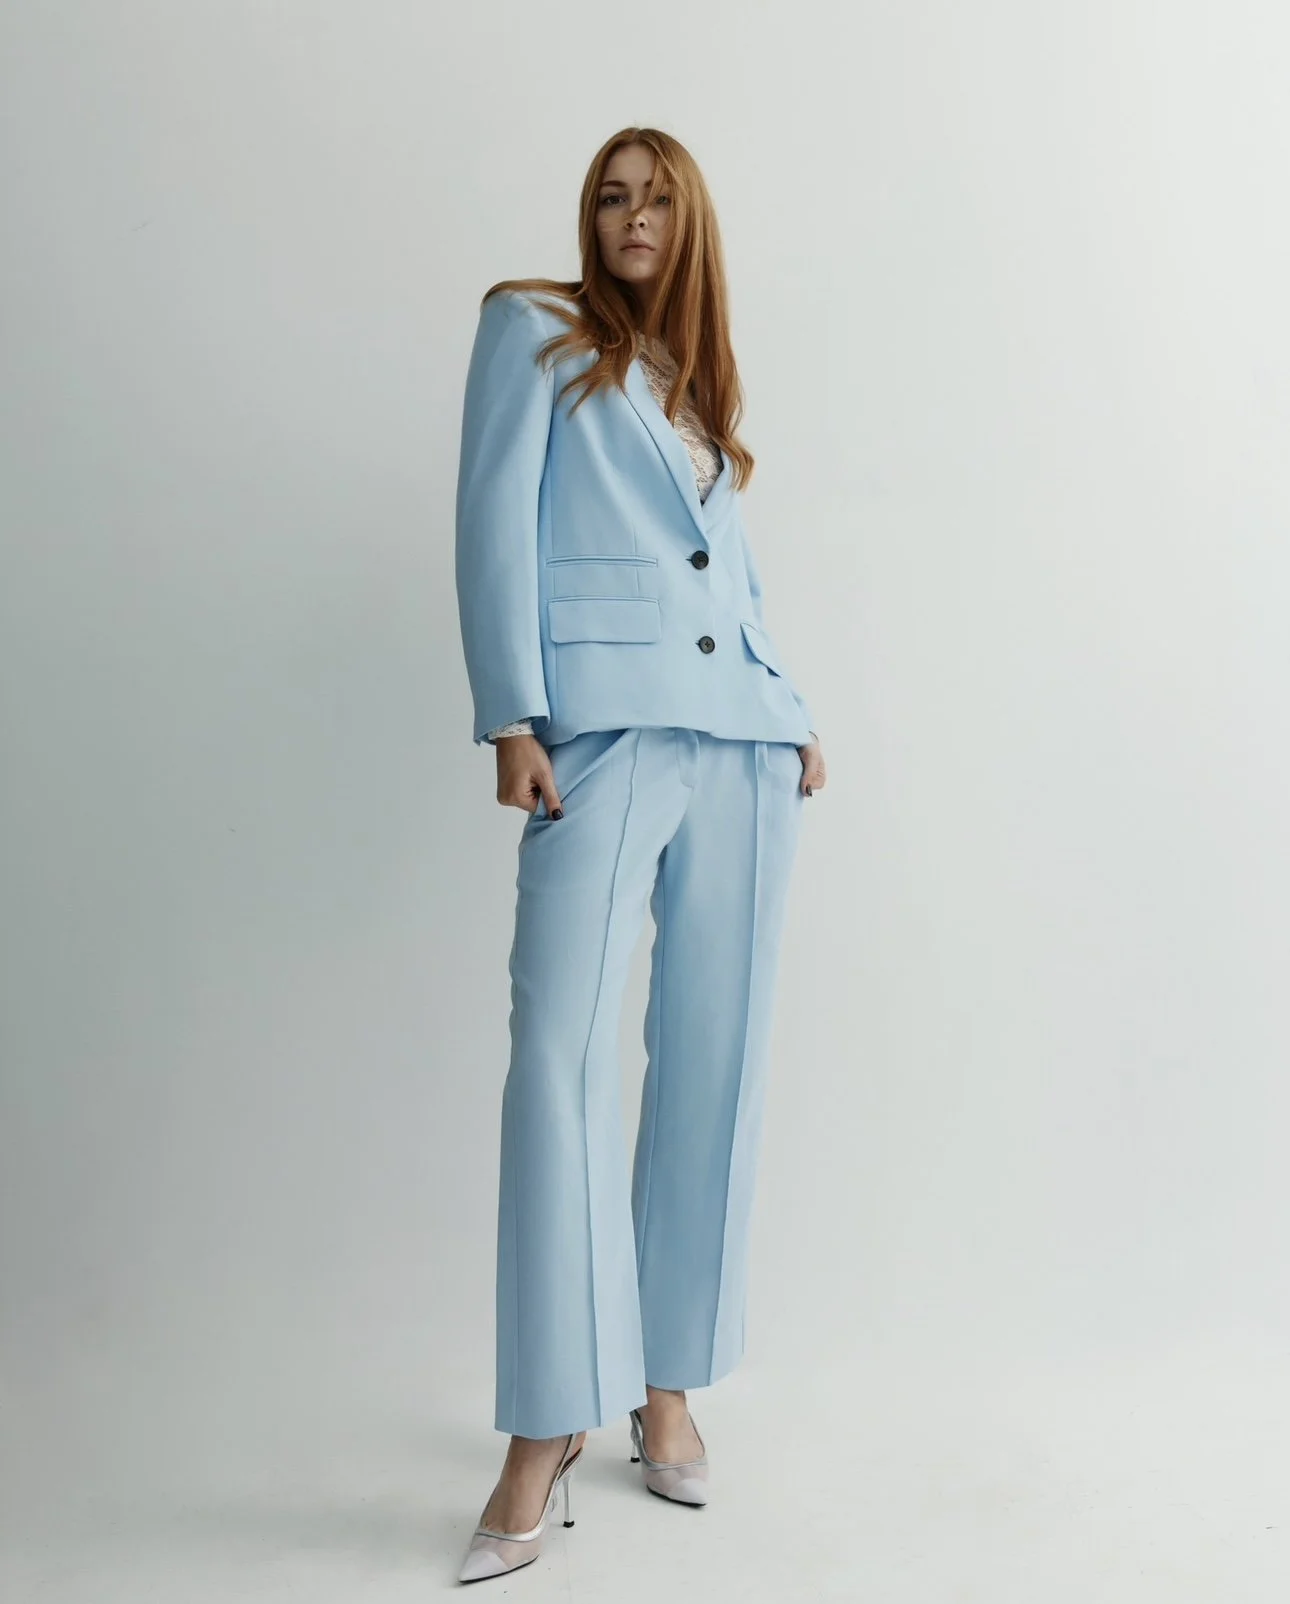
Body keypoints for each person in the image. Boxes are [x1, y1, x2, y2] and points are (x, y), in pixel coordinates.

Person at [453, 125, 828, 1584]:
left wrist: (789, 709)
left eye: (657, 199)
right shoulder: (531, 327)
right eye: (611, 196)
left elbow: (726, 575)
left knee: (713, 1062)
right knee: (556, 1056)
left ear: (693, 224)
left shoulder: (698, 386)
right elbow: (492, 518)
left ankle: (665, 1387)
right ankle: (543, 1422)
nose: (631, 217)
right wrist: (511, 714)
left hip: (742, 746)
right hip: (601, 735)